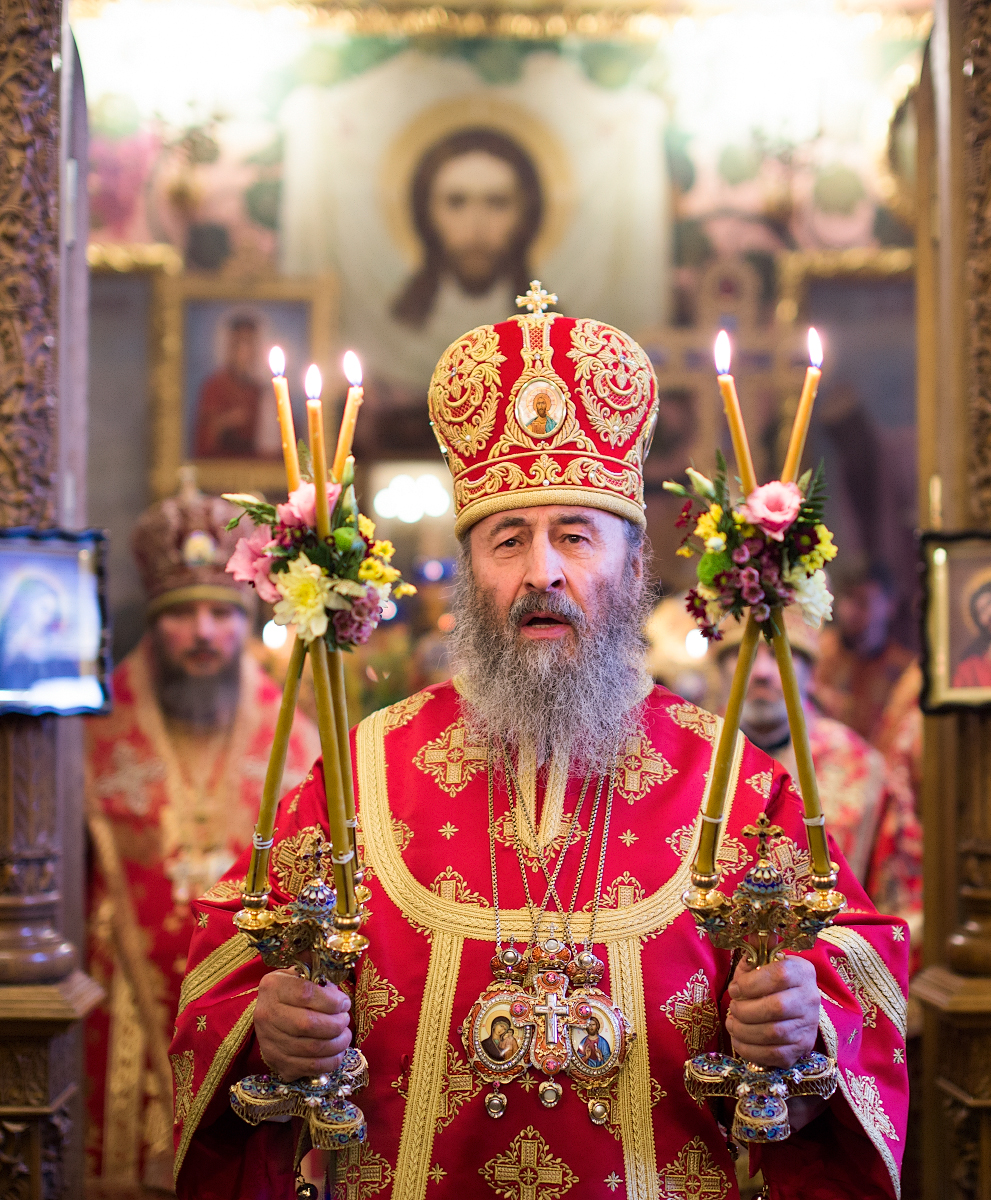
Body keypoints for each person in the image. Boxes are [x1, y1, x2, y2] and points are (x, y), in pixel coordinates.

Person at [172, 293, 909, 1198]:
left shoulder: (734, 785)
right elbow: (230, 960)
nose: (542, 572)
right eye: (508, 539)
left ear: (633, 565)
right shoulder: (363, 775)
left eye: (575, 536)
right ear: (469, 573)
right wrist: (267, 1025)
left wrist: (805, 1022)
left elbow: (858, 972)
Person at [84, 476, 318, 1195]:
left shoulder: (294, 732)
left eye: (221, 612)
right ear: (155, 624)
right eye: (183, 615)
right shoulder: (94, 729)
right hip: (123, 997)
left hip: (246, 1006)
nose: (205, 633)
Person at [715, 607, 922, 953]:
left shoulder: (860, 766)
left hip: (828, 968)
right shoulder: (693, 760)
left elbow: (895, 905)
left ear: (810, 674)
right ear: (719, 670)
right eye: (743, 652)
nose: (762, 671)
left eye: (780, 653)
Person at [391, 128, 542, 329]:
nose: (476, 227)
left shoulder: (542, 319)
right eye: (456, 202)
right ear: (426, 214)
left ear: (525, 215)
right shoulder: (403, 320)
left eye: (497, 202)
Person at [812, 561, 915, 741]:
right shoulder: (816, 653)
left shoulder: (905, 670)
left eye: (862, 602)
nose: (849, 611)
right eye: (847, 598)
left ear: (890, 606)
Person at [191, 313, 268, 458]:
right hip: (222, 463)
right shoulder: (214, 386)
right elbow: (204, 437)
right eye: (238, 344)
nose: (244, 351)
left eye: (249, 343)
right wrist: (226, 421)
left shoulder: (259, 390)